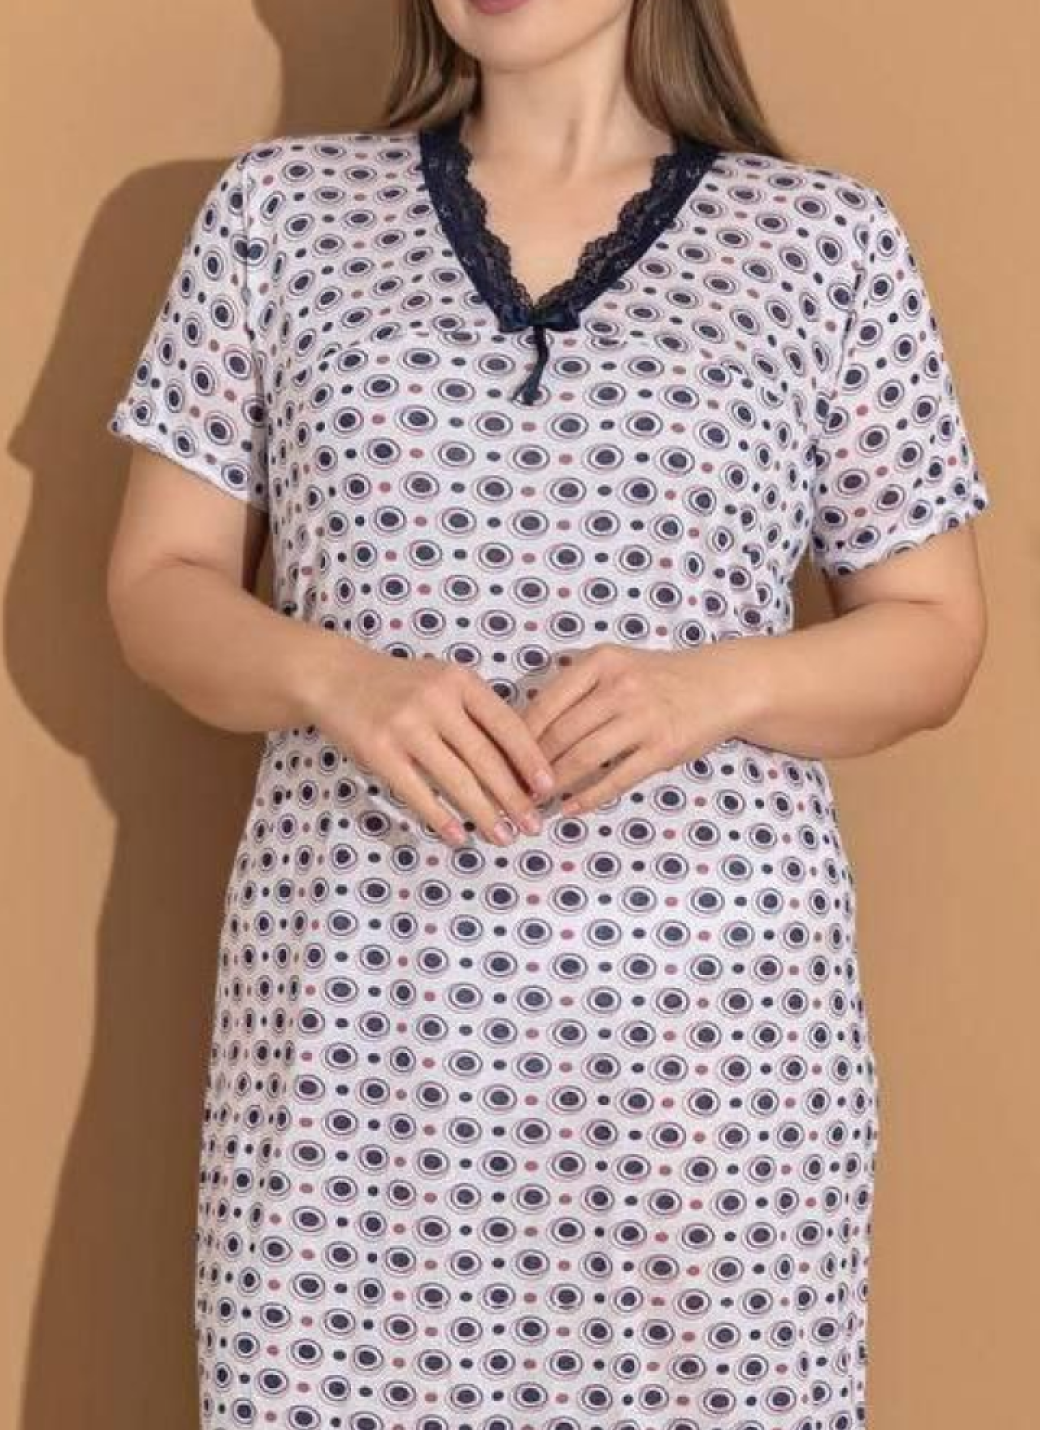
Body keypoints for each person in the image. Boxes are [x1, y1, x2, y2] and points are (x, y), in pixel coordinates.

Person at [104, 1, 992, 1427]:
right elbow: (158, 586)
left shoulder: (825, 243)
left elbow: (937, 631)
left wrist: (719, 683)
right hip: (356, 1050)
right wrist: (340, 678)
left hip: (708, 1067)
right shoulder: (279, 214)